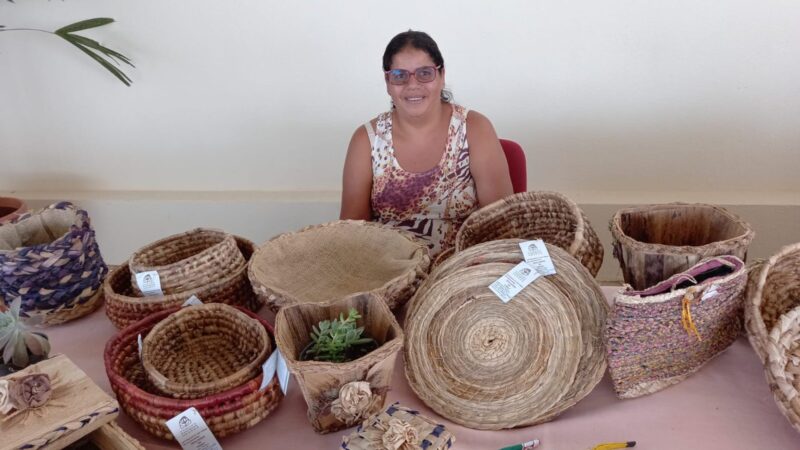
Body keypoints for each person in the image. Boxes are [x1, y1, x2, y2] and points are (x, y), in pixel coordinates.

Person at [340, 30, 513, 257]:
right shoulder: (366, 140)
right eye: (400, 75)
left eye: (424, 73)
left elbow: (501, 227)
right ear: (388, 82)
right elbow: (352, 235)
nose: (413, 84)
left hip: (462, 272)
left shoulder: (474, 128)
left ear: (441, 75)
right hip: (387, 275)